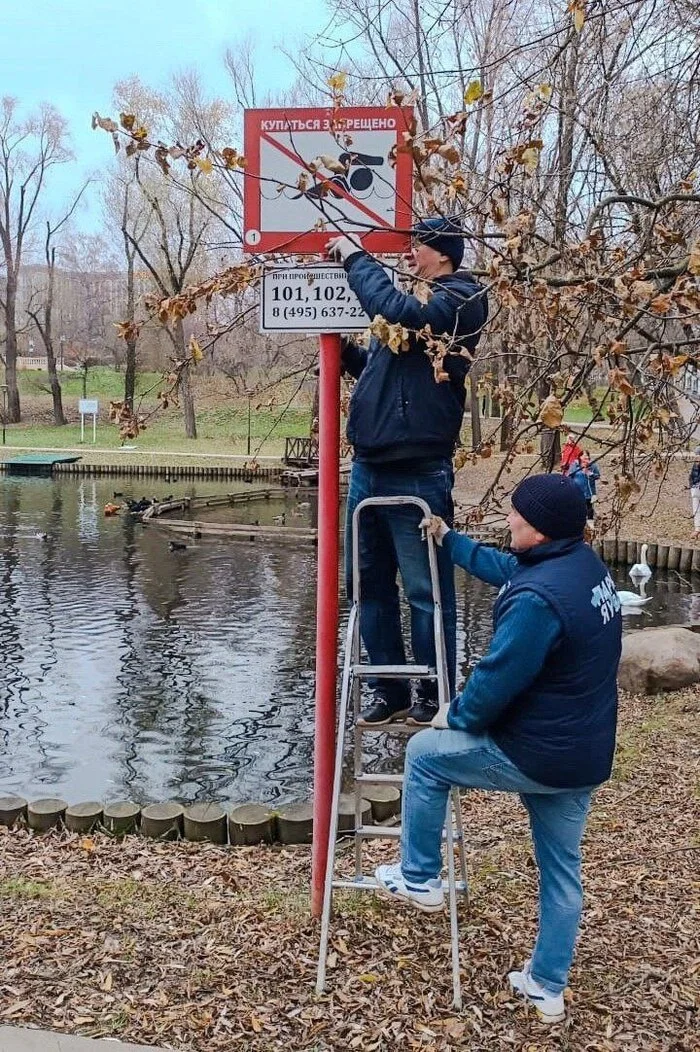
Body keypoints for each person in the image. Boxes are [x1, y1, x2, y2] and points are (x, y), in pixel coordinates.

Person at [373, 473, 622, 1023]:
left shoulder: (538, 600)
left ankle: (418, 878)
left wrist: (451, 715)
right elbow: (503, 568)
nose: (509, 520)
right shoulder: (580, 566)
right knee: (562, 871)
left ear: (541, 530)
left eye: (517, 517)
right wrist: (448, 538)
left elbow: (497, 677)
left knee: (425, 757)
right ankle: (546, 987)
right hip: (582, 754)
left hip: (539, 752)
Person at [326, 219, 488, 725]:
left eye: (416, 246)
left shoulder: (460, 299)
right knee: (366, 588)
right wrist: (344, 355)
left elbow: (399, 312)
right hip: (369, 468)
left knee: (425, 592)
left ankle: (432, 692)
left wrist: (355, 256)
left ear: (441, 254)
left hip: (418, 472)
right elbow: (388, 370)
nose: (409, 254)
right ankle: (388, 691)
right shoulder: (411, 313)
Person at [568, 450, 600, 520]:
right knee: (578, 506)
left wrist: (590, 473)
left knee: (589, 507)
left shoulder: (592, 466)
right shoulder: (574, 465)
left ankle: (590, 521)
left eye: (587, 455)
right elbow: (569, 475)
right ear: (580, 457)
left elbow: (597, 476)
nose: (586, 457)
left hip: (589, 491)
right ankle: (579, 521)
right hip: (577, 491)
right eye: (584, 455)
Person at [689, 447, 700, 539]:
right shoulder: (695, 466)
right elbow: (692, 476)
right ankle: (697, 529)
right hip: (695, 488)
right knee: (696, 509)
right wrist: (692, 486)